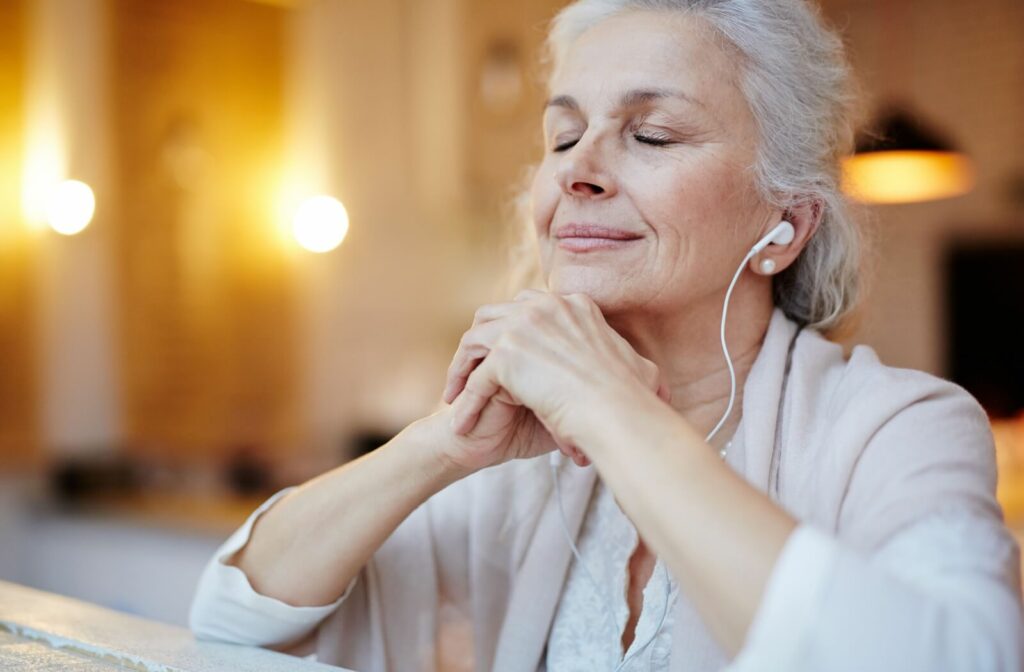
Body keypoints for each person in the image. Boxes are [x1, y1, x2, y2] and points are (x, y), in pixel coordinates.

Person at [189, 1, 1024, 670]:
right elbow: (232, 613)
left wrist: (614, 410)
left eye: (650, 135)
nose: (576, 169)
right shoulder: (521, 465)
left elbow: (960, 657)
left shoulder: (902, 426)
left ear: (785, 225)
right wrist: (440, 446)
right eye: (562, 135)